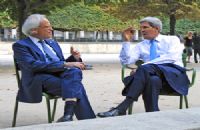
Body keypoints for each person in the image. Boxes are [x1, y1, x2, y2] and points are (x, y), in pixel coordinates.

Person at [97, 17, 190, 117]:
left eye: (145, 27)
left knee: (145, 69)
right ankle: (153, 114)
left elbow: (171, 58)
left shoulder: (172, 39)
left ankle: (122, 107)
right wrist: (126, 42)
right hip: (150, 77)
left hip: (172, 76)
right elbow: (126, 61)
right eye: (141, 28)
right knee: (153, 79)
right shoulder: (141, 45)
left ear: (157, 28)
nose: (142, 30)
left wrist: (141, 68)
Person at [12, 14, 96, 122]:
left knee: (74, 73)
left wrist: (73, 58)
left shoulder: (52, 43)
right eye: (46, 27)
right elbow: (33, 66)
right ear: (34, 31)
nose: (51, 29)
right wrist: (66, 64)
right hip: (39, 79)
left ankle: (68, 116)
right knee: (76, 87)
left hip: (59, 76)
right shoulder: (21, 46)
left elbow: (60, 63)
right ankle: (86, 121)